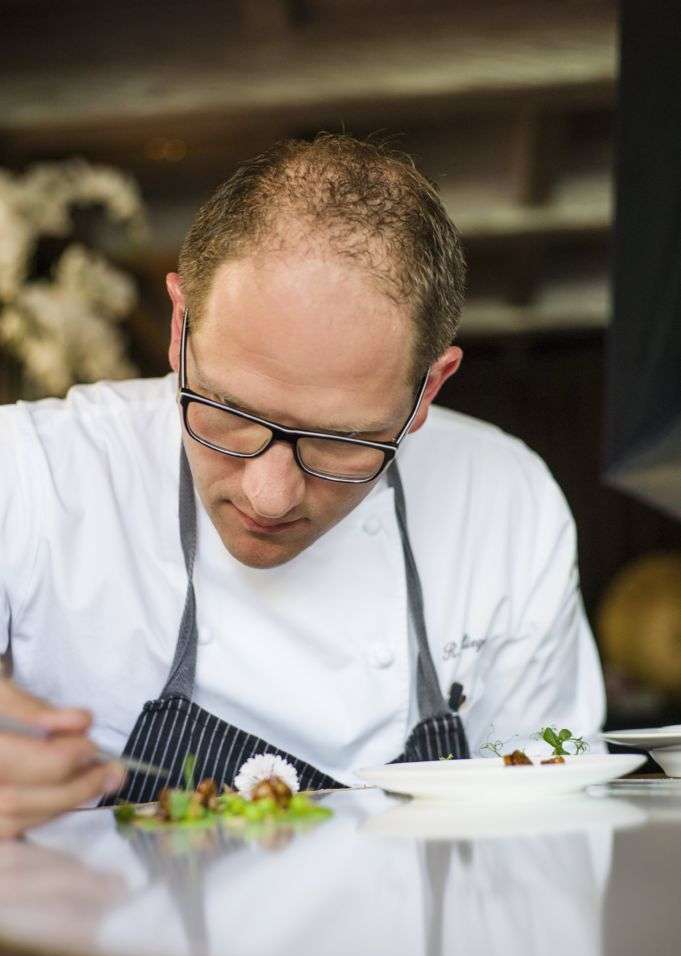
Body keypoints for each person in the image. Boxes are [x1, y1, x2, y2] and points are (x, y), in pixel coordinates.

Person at [0, 134, 605, 837]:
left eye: (340, 441)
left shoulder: (505, 502)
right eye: (228, 413)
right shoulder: (33, 470)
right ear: (178, 327)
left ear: (427, 391)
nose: (270, 495)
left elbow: (550, 826)